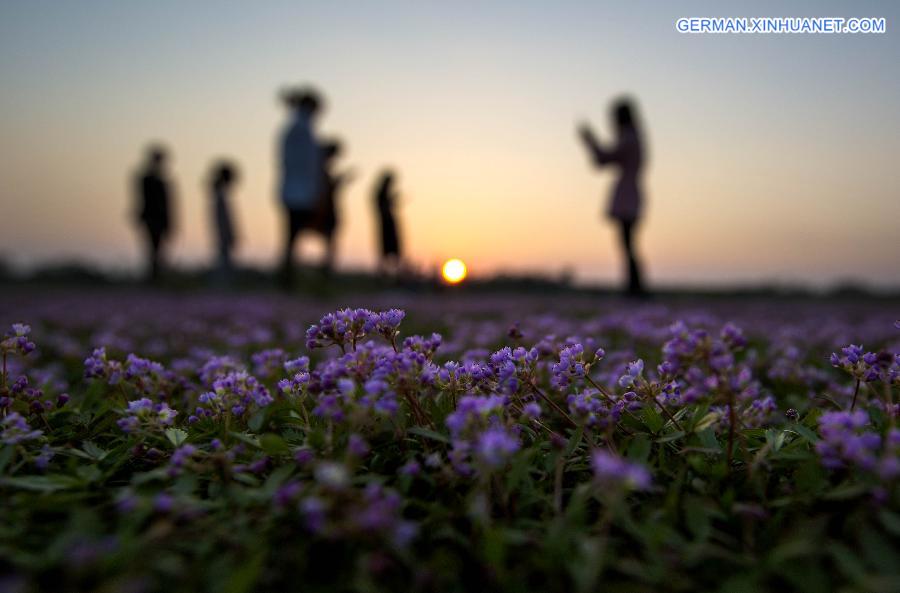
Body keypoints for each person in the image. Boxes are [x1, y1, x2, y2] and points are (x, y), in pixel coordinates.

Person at [578, 98, 647, 297]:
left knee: (627, 243)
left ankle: (635, 289)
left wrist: (589, 140)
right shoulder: (636, 137)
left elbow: (602, 159)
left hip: (627, 195)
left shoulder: (628, 138)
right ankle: (634, 288)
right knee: (628, 243)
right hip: (632, 192)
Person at [278, 86, 324, 288]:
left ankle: (291, 279)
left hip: (294, 190)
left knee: (292, 238)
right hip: (300, 192)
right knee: (293, 238)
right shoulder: (301, 129)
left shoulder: (296, 127)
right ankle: (289, 280)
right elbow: (307, 164)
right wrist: (316, 191)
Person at [134, 145, 174, 282]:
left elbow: (168, 204)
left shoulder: (162, 181)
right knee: (153, 251)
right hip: (152, 220)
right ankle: (153, 278)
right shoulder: (147, 179)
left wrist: (169, 223)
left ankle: (156, 277)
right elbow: (142, 200)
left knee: (158, 250)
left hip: (159, 220)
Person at [315, 140, 354, 276]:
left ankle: (325, 272)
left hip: (326, 208)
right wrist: (341, 181)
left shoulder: (321, 168)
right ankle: (325, 273)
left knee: (330, 244)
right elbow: (327, 187)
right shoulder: (318, 168)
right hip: (322, 209)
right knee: (330, 243)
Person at [208, 160, 239, 282]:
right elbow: (222, 219)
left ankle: (222, 284)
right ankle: (221, 285)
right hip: (223, 235)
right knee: (224, 263)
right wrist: (229, 234)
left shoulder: (219, 195)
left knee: (224, 262)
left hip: (223, 235)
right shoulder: (219, 196)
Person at [373, 170, 402, 277]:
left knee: (393, 251)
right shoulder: (380, 194)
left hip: (389, 224)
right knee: (387, 251)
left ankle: (394, 275)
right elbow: (382, 208)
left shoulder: (384, 194)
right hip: (386, 225)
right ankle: (385, 274)